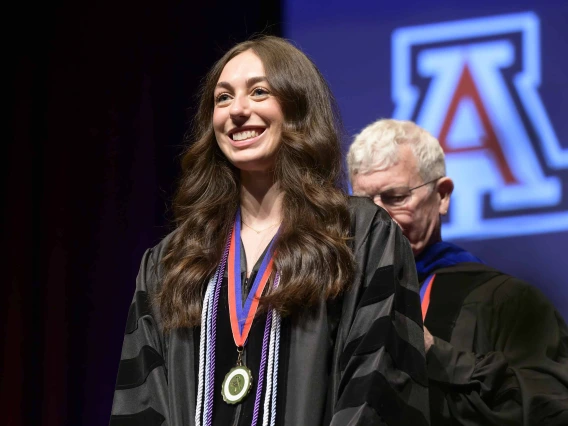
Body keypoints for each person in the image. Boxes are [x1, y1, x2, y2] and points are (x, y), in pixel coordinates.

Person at [110, 38, 430, 426]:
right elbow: (143, 406)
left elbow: (378, 387)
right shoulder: (173, 260)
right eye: (223, 98)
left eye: (259, 91)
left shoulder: (357, 236)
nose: (238, 110)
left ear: (298, 108)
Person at [347, 118, 568, 425]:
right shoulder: (340, 299)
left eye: (396, 198)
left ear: (443, 196)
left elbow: (550, 411)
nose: (379, 218)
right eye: (363, 204)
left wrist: (432, 352)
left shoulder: (507, 301)